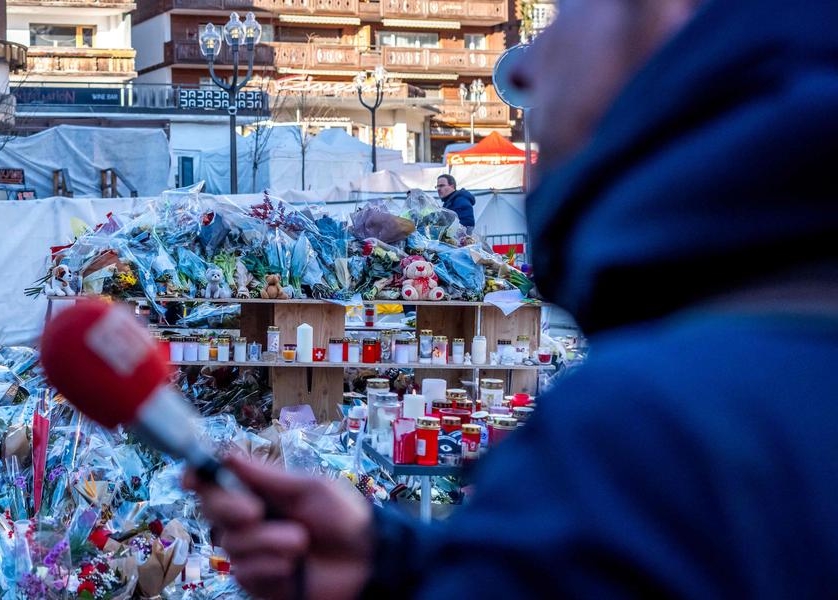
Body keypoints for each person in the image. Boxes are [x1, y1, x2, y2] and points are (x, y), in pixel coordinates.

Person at [188, 0, 838, 598]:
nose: (523, 71)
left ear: (663, 14)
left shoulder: (636, 433)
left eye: (564, 14)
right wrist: (395, 566)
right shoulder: (761, 370)